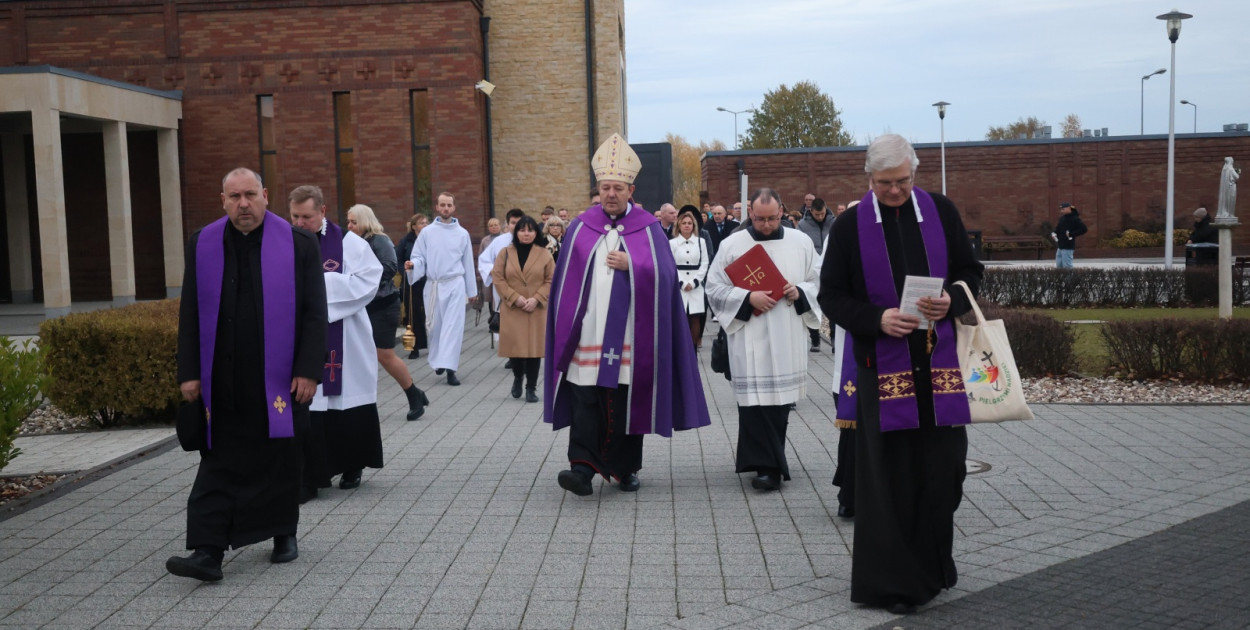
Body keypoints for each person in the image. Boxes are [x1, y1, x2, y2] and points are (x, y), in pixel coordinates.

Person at [818, 134, 983, 614]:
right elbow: (831, 296)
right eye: (885, 183)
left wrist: (952, 298)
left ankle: (935, 564)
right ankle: (895, 584)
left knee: (945, 471)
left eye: (903, 181)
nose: (894, 191)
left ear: (915, 172)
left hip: (940, 367)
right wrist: (877, 319)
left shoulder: (940, 212)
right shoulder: (849, 227)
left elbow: (971, 272)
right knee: (892, 479)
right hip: (883, 370)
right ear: (869, 178)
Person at [169, 168, 327, 581]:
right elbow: (190, 311)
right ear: (222, 200)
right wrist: (189, 371)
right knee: (216, 463)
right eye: (235, 196)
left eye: (251, 195)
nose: (243, 204)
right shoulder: (203, 243)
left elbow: (315, 312)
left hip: (279, 380)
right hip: (221, 378)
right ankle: (207, 551)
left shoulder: (299, 243)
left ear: (266, 195)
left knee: (279, 459)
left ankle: (283, 532)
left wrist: (308, 371)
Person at [545, 133, 711, 497]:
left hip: (631, 333)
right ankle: (581, 468)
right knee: (586, 398)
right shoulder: (581, 226)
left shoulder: (648, 228)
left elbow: (666, 276)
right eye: (605, 187)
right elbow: (565, 280)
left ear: (630, 190)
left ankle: (625, 468)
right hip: (589, 332)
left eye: (617, 188)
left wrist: (632, 264)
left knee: (625, 399)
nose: (610, 194)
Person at [706, 188, 821, 491]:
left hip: (786, 332)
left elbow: (819, 280)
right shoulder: (732, 244)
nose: (766, 225)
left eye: (771, 218)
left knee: (779, 403)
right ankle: (767, 466)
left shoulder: (800, 242)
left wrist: (800, 291)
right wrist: (747, 297)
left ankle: (768, 465)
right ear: (750, 213)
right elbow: (714, 288)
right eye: (759, 219)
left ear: (781, 211)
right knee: (753, 403)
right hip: (750, 335)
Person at [285, 189, 384, 502]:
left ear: (323, 211)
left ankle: (352, 465)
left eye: (307, 217)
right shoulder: (283, 243)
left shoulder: (349, 243)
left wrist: (316, 287)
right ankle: (310, 476)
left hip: (346, 336)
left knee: (346, 403)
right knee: (308, 408)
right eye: (295, 216)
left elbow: (369, 280)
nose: (300, 223)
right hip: (301, 338)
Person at [347, 204, 430, 422]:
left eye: (354, 222)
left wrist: (361, 280)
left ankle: (414, 395)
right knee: (362, 355)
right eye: (348, 222)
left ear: (365, 221)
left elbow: (390, 267)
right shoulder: (353, 242)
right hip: (363, 306)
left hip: (384, 305)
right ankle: (361, 403)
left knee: (384, 354)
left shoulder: (379, 240)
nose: (349, 226)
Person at [406, 192, 478, 386]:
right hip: (434, 286)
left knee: (452, 328)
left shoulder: (462, 234)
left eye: (449, 205)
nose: (446, 208)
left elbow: (468, 263)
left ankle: (450, 369)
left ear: (454, 207)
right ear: (437, 207)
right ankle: (439, 360)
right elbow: (419, 256)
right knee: (435, 327)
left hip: (455, 284)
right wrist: (413, 265)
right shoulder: (427, 232)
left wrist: (472, 291)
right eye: (442, 205)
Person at [492, 215, 554, 403]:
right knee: (515, 349)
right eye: (522, 230)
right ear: (516, 232)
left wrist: (537, 298)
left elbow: (551, 279)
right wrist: (514, 298)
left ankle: (531, 387)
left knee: (534, 350)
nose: (526, 234)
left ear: (536, 233)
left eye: (530, 230)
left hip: (536, 308)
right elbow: (498, 278)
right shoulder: (505, 253)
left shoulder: (544, 254)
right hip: (513, 308)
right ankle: (518, 377)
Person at [797, 198, 834, 352]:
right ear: (811, 211)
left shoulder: (834, 223)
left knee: (833, 304)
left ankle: (834, 339)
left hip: (830, 266)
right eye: (817, 214)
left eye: (822, 214)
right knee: (811, 303)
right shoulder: (802, 225)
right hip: (811, 269)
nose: (820, 217)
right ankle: (815, 339)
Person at [670, 207, 710, 350]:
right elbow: (670, 264)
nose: (687, 225)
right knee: (680, 317)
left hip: (696, 285)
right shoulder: (672, 243)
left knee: (695, 318)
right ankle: (680, 349)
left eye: (689, 223)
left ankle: (693, 350)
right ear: (679, 225)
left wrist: (694, 282)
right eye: (684, 223)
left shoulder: (701, 242)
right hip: (679, 285)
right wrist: (681, 282)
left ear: (694, 225)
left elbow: (705, 263)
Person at [396, 214, 429, 359]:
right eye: (422, 223)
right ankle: (414, 347)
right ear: (414, 226)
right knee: (413, 314)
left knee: (430, 313)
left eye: (427, 222)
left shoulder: (431, 239)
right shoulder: (406, 241)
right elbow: (398, 259)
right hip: (411, 282)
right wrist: (405, 271)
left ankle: (434, 344)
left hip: (428, 281)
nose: (425, 225)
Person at [1052, 202, 1087, 269]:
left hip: (1068, 246)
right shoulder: (1062, 218)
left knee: (1067, 266)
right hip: (1060, 245)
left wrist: (1071, 234)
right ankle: (1060, 276)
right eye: (1061, 209)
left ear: (1068, 208)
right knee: (1059, 265)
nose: (1061, 210)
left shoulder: (1075, 218)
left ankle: (1069, 276)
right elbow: (1058, 228)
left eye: (1063, 209)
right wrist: (1054, 233)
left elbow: (1084, 229)